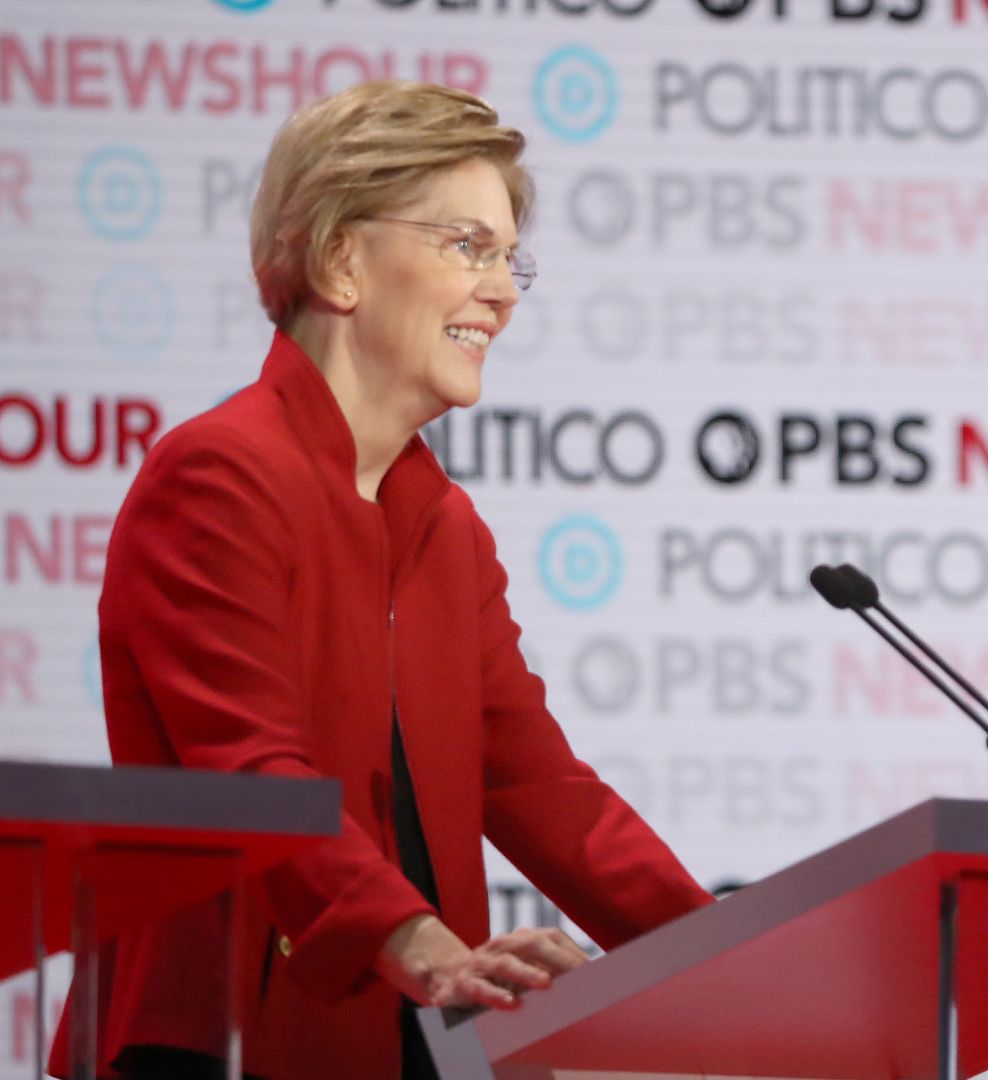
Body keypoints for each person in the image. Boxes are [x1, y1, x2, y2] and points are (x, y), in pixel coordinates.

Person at [52, 82, 712, 1079]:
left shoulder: (445, 526)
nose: (504, 291)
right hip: (225, 1044)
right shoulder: (217, 475)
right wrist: (424, 945)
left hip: (415, 1042)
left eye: (508, 257)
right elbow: (253, 773)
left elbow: (543, 789)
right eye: (467, 247)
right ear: (339, 258)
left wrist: (729, 961)